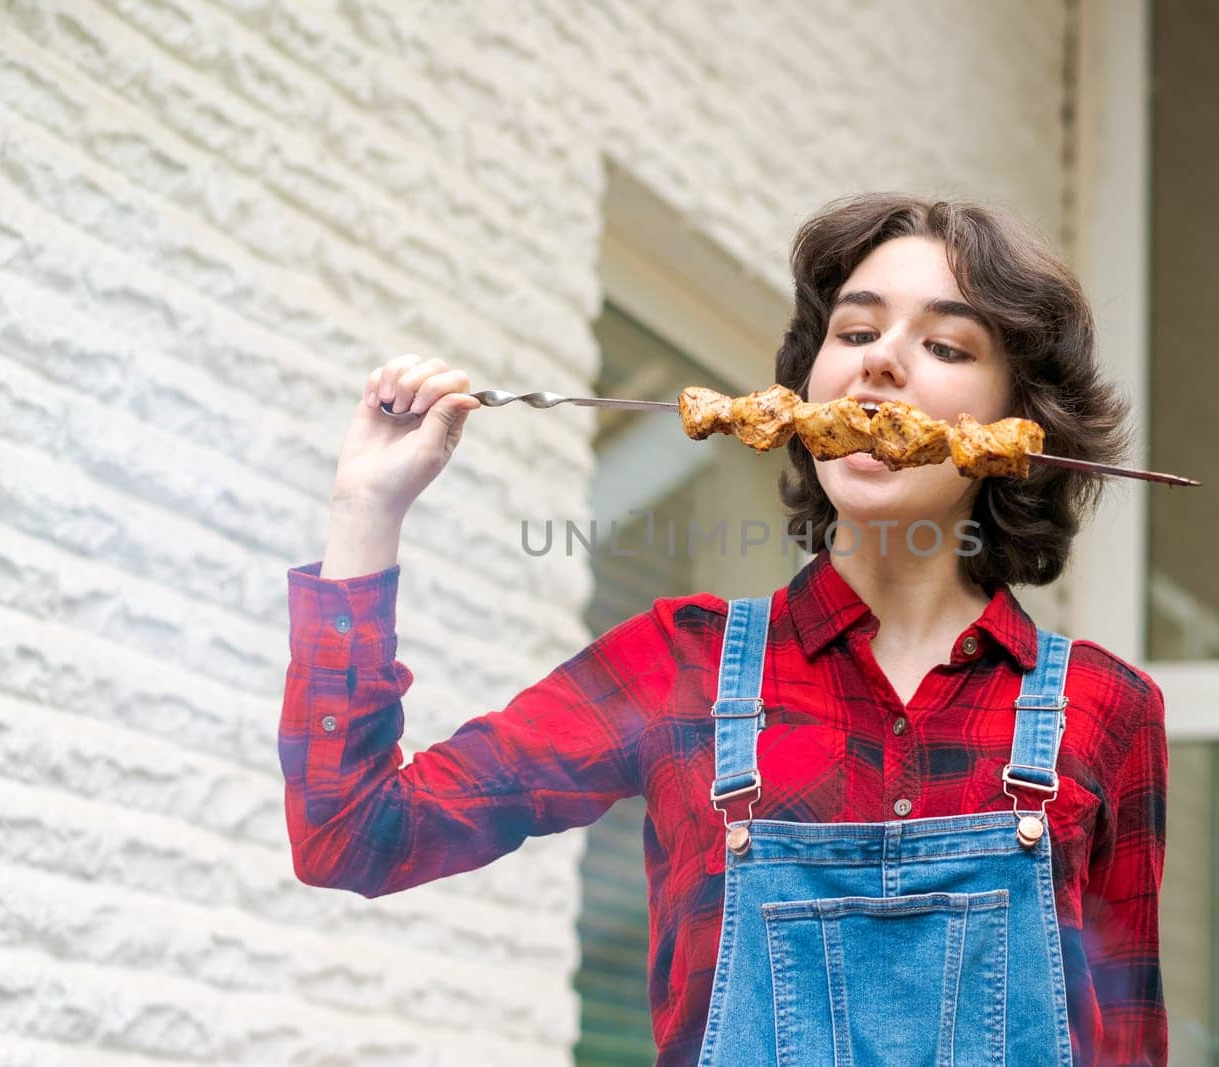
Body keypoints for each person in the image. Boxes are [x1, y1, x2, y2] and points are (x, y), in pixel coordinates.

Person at [280, 193, 1168, 1066]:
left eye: (943, 345)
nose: (880, 365)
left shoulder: (1107, 711)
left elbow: (1128, 1042)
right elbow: (356, 831)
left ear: (1018, 428)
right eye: (854, 333)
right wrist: (366, 511)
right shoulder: (683, 667)